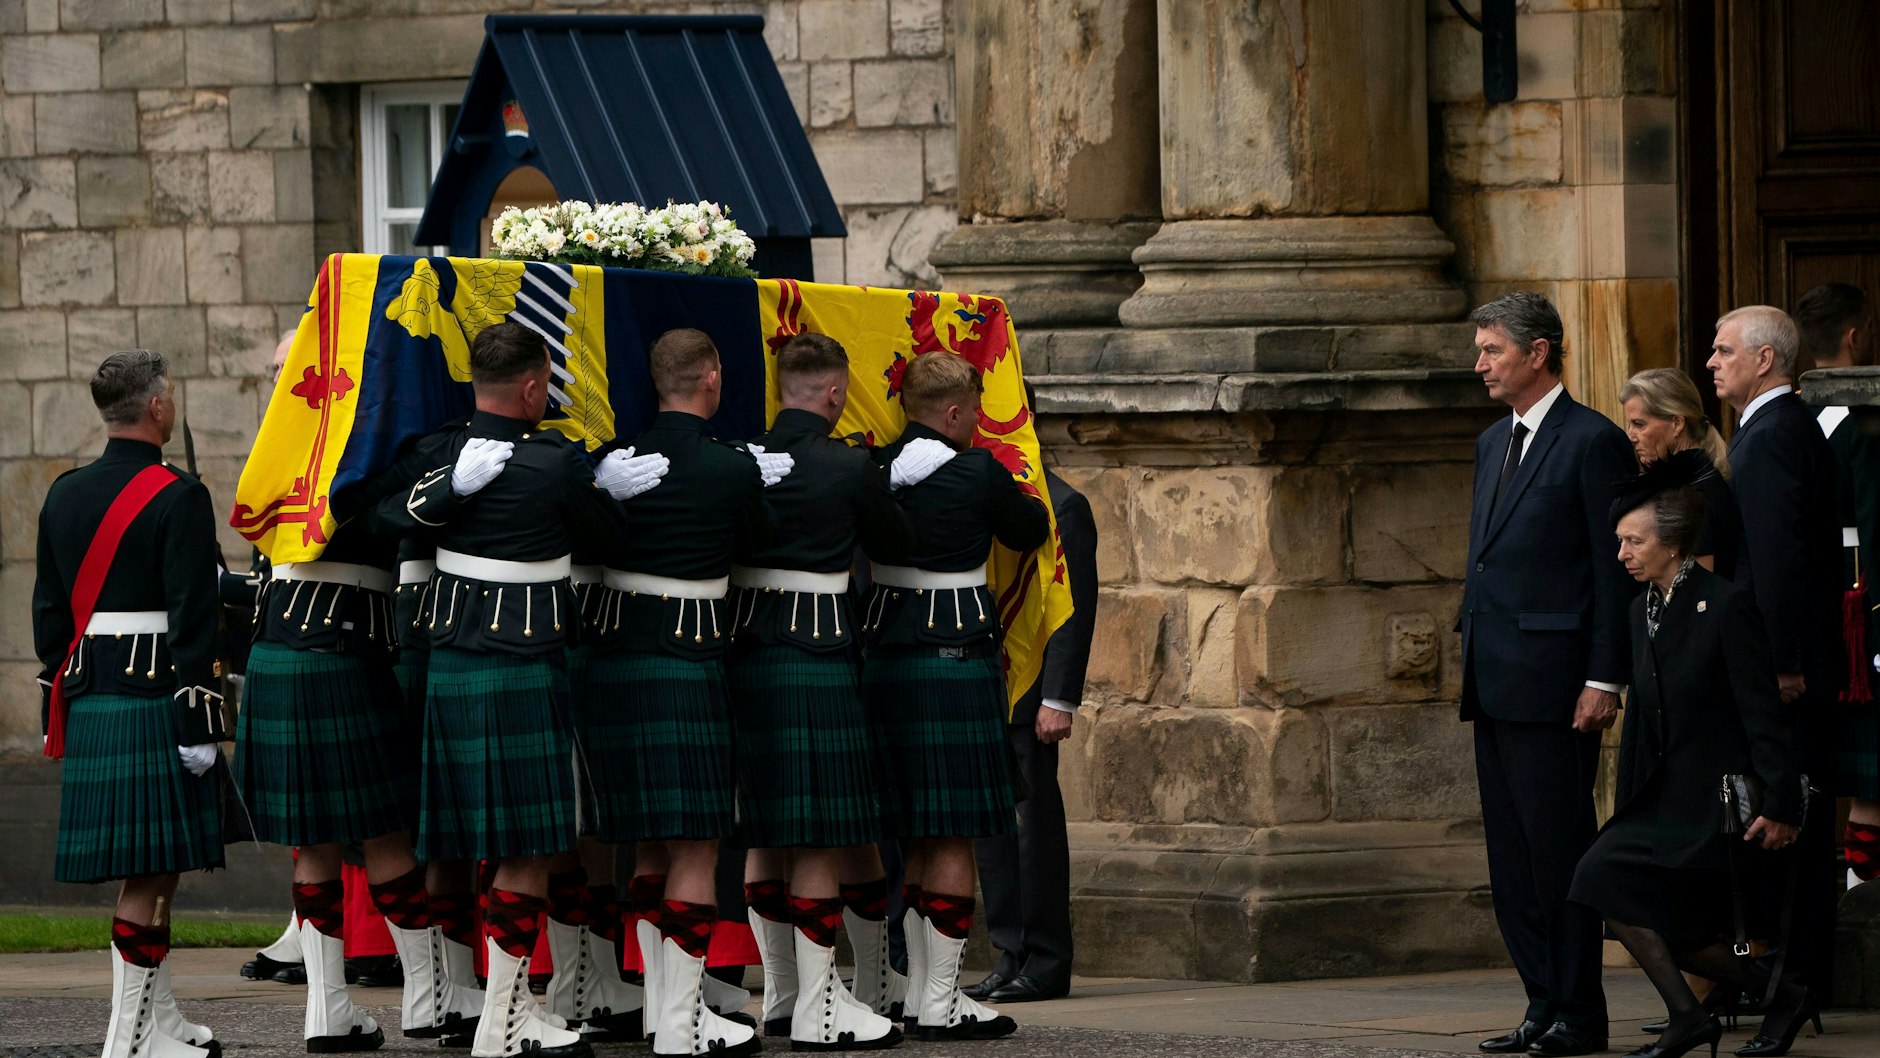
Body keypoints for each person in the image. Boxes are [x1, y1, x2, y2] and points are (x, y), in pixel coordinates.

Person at [353, 321, 666, 1058]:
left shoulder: (439, 454)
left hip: (453, 665)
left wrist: (443, 489)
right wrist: (606, 490)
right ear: (533, 389)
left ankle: (478, 1001)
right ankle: (504, 1018)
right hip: (524, 668)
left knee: (470, 843)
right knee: (525, 847)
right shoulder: (555, 465)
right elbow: (607, 540)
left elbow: (376, 521)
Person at [580, 327, 786, 1058]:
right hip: (689, 657)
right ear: (712, 379)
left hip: (612, 661)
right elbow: (761, 544)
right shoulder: (730, 468)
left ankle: (661, 1008)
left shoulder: (612, 464)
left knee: (645, 843)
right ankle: (680, 1020)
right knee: (695, 843)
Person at [727, 331, 933, 1049]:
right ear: (837, 392)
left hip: (745, 650)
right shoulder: (846, 465)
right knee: (816, 825)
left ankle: (782, 994)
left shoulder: (741, 458)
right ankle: (817, 1003)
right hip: (814, 652)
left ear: (781, 388)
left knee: (765, 824)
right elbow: (897, 544)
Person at [1569, 456, 1806, 1058]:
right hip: (1665, 795)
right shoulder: (1637, 611)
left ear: (1671, 544)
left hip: (1716, 799)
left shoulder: (1724, 605)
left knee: (1631, 896)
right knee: (1605, 882)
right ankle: (1740, 1002)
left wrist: (1781, 803)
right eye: (1619, 540)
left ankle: (1757, 999)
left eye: (1634, 541)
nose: (1622, 553)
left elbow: (1763, 714)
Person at [34, 349, 228, 1058]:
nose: (171, 407)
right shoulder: (178, 495)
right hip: (155, 695)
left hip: (91, 696)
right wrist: (200, 714)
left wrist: (65, 690)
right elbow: (192, 615)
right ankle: (130, 1036)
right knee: (150, 873)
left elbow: (50, 614)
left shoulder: (63, 492)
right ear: (154, 407)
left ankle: (162, 1016)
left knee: (156, 870)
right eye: (169, 397)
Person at [1459, 292, 1633, 1058]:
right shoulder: (1492, 442)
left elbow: (1612, 572)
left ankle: (1579, 1012)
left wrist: (1606, 678)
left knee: (1559, 851)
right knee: (1511, 860)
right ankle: (1539, 1001)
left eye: (1493, 349)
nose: (1481, 364)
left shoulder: (1592, 440)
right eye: (1481, 349)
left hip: (1558, 685)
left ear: (1539, 352)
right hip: (1494, 679)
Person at [862, 351, 1049, 1042]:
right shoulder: (975, 470)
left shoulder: (874, 468)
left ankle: (915, 992)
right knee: (951, 834)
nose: (978, 422)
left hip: (884, 658)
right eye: (973, 411)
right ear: (951, 412)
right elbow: (1028, 531)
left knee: (913, 827)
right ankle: (938, 999)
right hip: (953, 658)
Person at [1708, 305, 1846, 1033]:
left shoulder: (1768, 438)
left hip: (1782, 669)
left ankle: (1786, 987)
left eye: (1724, 350)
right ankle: (1785, 981)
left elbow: (1779, 563)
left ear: (1765, 361)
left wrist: (1783, 664)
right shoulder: (1779, 429)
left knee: (1784, 824)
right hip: (1790, 660)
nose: (1711, 362)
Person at [965, 465, 1098, 1004]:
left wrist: (1058, 697)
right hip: (988, 685)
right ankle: (1011, 952)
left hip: (1032, 693)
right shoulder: (985, 495)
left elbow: (1074, 606)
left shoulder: (1063, 503)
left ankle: (1045, 958)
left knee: (1033, 832)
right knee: (994, 835)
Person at [1792, 283, 1880, 886]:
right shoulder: (1866, 420)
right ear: (1855, 336)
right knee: (1866, 776)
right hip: (1858, 605)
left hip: (1809, 604)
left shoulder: (1785, 416)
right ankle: (1858, 899)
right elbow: (1873, 518)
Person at [1618, 368, 1742, 580]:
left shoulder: (1696, 493)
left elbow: (1699, 595)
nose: (1631, 436)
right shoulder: (1685, 483)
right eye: (1630, 425)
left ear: (1677, 424)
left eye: (1639, 424)